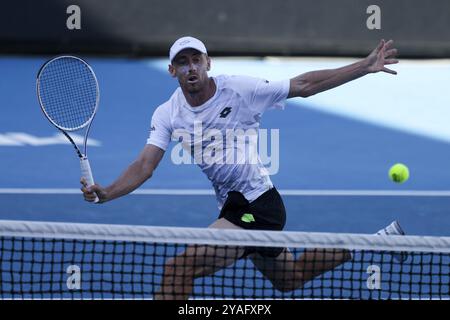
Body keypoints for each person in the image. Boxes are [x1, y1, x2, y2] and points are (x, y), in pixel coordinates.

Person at [81, 36, 404, 299]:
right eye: (183, 62)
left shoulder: (239, 89)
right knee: (291, 278)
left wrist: (365, 66)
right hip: (234, 208)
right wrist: (108, 192)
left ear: (208, 64)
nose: (191, 67)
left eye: (196, 60)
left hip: (258, 205)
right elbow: (144, 164)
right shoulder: (167, 113)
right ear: (172, 71)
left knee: (178, 269)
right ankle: (375, 241)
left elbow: (304, 85)